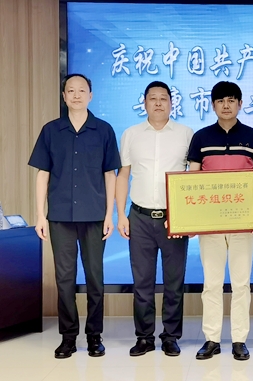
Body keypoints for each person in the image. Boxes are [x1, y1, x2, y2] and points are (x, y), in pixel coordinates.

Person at [28, 74, 121, 359]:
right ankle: (68, 337)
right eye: (71, 90)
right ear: (64, 96)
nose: (77, 95)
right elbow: (42, 174)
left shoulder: (103, 130)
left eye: (82, 90)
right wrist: (40, 215)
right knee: (64, 278)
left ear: (90, 95)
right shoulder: (51, 130)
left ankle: (94, 336)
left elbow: (110, 174)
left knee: (95, 277)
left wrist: (110, 215)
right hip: (60, 216)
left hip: (94, 215)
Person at [187, 81, 253, 361]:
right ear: (213, 105)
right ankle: (211, 339)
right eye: (221, 100)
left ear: (240, 104)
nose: (226, 105)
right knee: (211, 283)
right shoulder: (201, 137)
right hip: (210, 224)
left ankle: (239, 340)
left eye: (231, 100)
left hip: (242, 222)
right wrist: (191, 219)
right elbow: (192, 179)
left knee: (241, 283)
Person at [115, 81, 193, 357]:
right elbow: (123, 175)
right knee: (142, 283)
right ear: (145, 102)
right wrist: (120, 214)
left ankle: (171, 336)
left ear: (172, 103)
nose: (158, 102)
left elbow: (193, 178)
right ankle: (144, 337)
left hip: (174, 219)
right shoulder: (131, 134)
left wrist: (189, 218)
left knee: (174, 282)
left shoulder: (186, 134)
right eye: (153, 98)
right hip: (139, 216)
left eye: (163, 98)